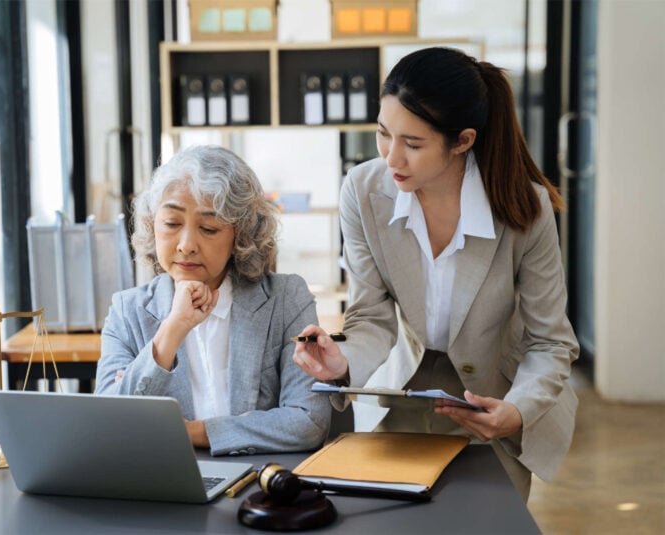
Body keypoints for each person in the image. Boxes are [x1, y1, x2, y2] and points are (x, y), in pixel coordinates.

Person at [292, 47, 578, 501]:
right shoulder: (363, 192)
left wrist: (517, 411)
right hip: (408, 389)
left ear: (462, 141)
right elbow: (372, 318)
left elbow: (550, 341)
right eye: (384, 134)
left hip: (496, 400)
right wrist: (343, 364)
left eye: (413, 143)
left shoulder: (527, 207)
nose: (391, 158)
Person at [95, 144, 330, 456]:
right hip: (164, 485)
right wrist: (172, 329)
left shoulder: (286, 299)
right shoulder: (128, 311)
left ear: (240, 235)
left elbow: (308, 422)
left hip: (262, 485)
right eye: (171, 223)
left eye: (208, 228)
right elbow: (108, 425)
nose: (186, 245)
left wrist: (193, 431)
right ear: (153, 224)